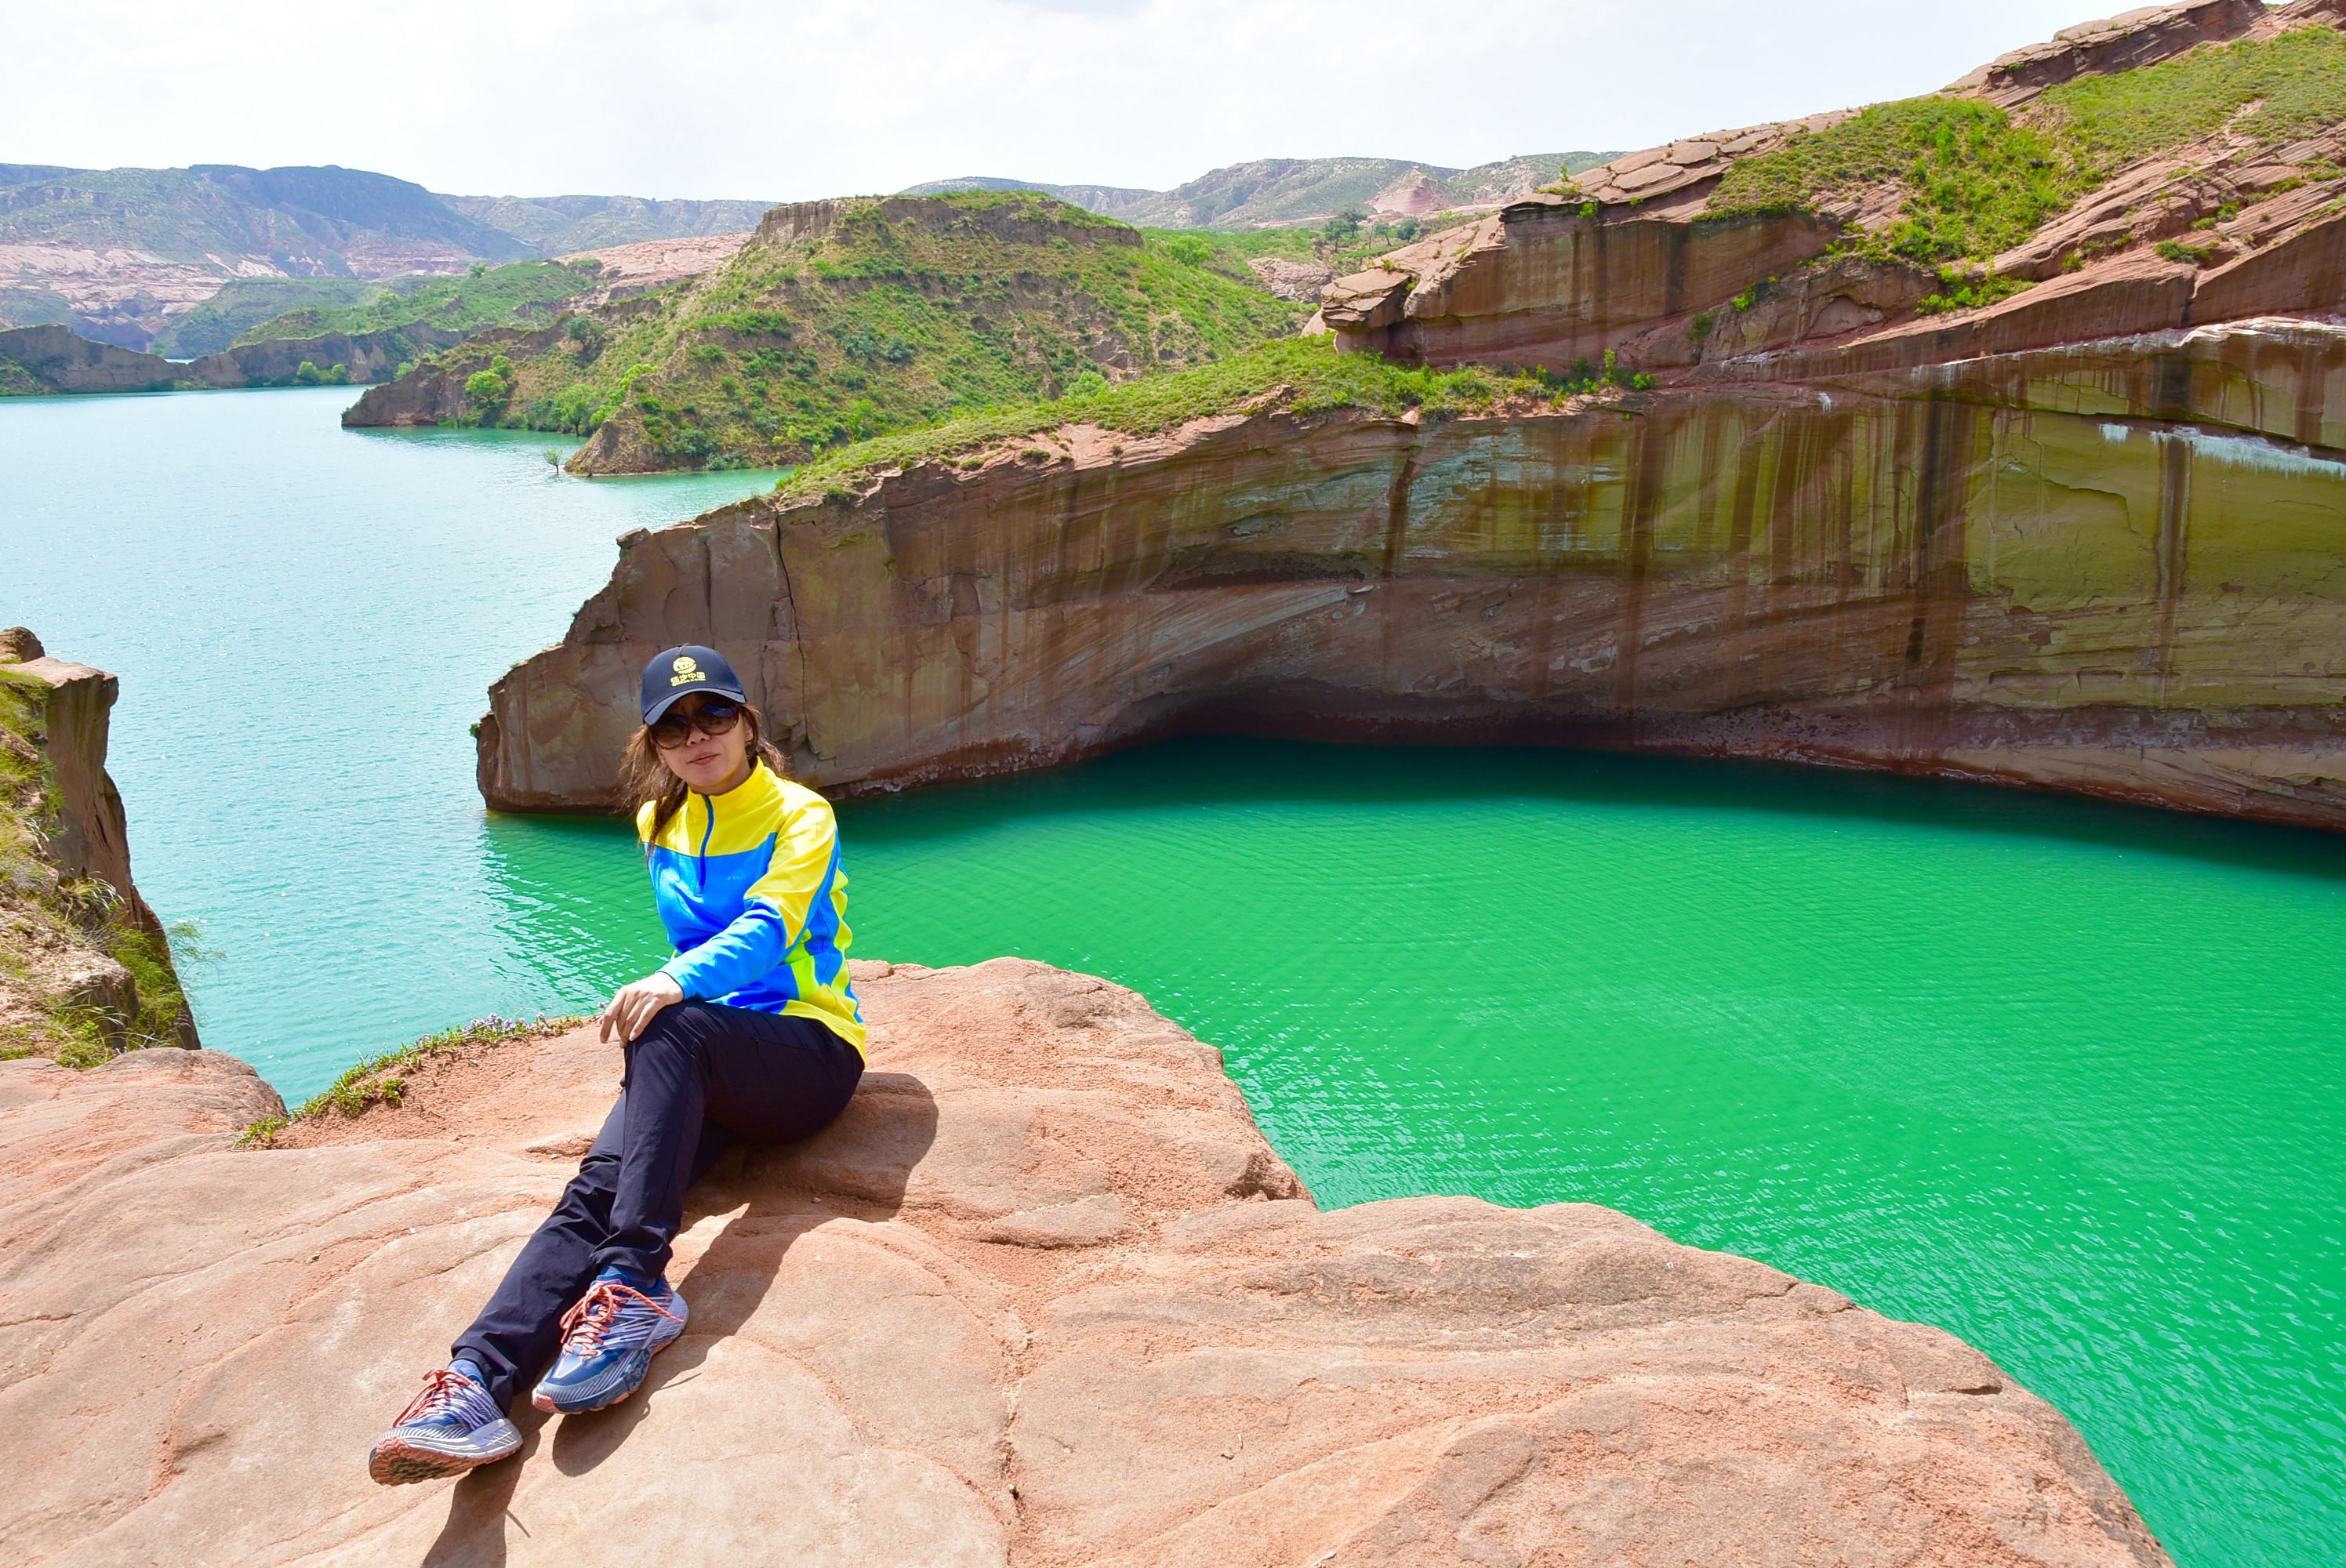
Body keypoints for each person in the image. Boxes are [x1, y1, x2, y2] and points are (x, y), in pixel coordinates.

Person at [366, 644, 866, 1485]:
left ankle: (632, 1288)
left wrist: (673, 982)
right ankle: (477, 1385)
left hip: (805, 1051)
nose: (695, 734)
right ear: (653, 744)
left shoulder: (800, 812)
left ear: (746, 722)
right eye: (673, 724)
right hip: (707, 1056)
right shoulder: (657, 824)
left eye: (712, 713)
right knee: (596, 1185)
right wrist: (678, 995)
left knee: (665, 1029)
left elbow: (769, 926)